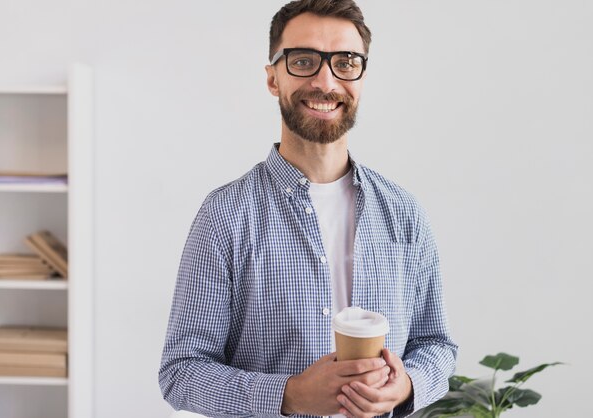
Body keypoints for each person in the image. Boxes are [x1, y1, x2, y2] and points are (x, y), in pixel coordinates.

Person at [159, 1, 457, 417]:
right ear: (272, 78)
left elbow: (436, 346)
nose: (325, 81)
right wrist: (290, 394)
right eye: (303, 61)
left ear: (362, 77)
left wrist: (406, 385)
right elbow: (181, 371)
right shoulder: (225, 215)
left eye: (345, 62)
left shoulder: (403, 213)